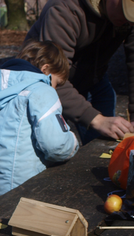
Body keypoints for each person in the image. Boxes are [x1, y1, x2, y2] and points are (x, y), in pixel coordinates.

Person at [0, 40, 79, 199]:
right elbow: (56, 146)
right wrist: (73, 142)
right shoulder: (42, 90)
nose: (55, 89)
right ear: (45, 70)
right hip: (26, 183)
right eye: (56, 84)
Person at [25, 0, 134, 144]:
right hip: (47, 87)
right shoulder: (64, 10)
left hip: (95, 81)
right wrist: (96, 119)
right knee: (50, 149)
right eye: (125, 12)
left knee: (104, 145)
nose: (128, 21)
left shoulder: (126, 18)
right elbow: (49, 78)